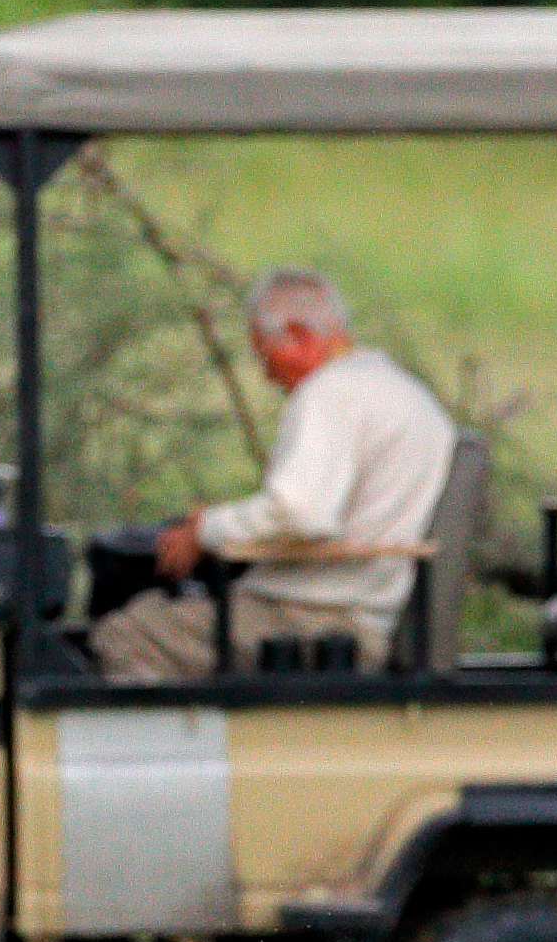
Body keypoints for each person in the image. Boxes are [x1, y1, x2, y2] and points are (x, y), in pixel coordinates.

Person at [90, 271, 456, 681]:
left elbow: (301, 514)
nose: (267, 375)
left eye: (265, 356)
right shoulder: (402, 390)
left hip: (315, 616)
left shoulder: (328, 393)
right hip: (369, 610)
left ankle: (180, 746)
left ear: (298, 335)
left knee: (128, 634)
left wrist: (204, 530)